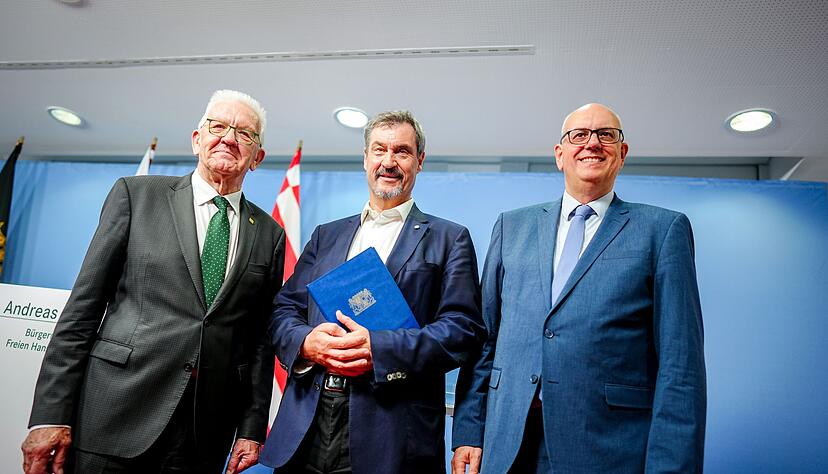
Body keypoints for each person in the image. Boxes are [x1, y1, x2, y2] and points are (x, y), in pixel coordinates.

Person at [22, 90, 285, 474]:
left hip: (202, 435)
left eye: (245, 134)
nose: (229, 137)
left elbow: (259, 341)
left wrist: (251, 428)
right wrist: (50, 416)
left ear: (257, 157)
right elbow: (82, 310)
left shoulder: (269, 234)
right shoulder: (136, 195)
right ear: (197, 140)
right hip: (113, 414)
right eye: (217, 126)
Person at [452, 103, 706, 473]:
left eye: (606, 135)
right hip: (508, 445)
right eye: (579, 135)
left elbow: (680, 365)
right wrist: (468, 432)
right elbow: (484, 340)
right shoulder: (511, 227)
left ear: (622, 153)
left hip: (609, 449)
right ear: (560, 154)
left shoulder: (662, 230)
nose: (592, 143)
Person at [261, 110, 485, 474]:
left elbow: (462, 330)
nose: (389, 161)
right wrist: (306, 342)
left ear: (419, 161)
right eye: (379, 150)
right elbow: (284, 309)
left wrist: (378, 349)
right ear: (366, 158)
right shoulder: (326, 234)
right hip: (307, 423)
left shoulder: (449, 238)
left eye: (402, 151)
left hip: (392, 432)